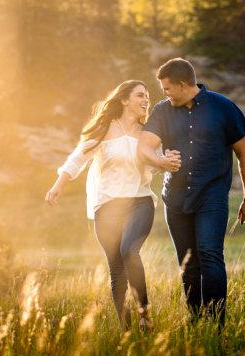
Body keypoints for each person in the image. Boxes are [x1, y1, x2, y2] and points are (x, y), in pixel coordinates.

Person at [45, 80, 181, 331]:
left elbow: (153, 164)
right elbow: (78, 158)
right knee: (116, 269)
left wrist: (165, 161)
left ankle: (144, 313)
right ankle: (126, 330)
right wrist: (58, 184)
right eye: (140, 95)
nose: (146, 100)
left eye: (147, 96)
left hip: (139, 202)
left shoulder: (147, 134)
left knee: (130, 251)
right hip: (106, 205)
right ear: (124, 100)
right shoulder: (103, 130)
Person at [137, 58, 245, 328]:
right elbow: (144, 147)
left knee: (209, 253)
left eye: (166, 88)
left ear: (182, 84)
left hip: (211, 196)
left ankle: (216, 325)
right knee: (188, 263)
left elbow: (244, 155)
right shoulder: (163, 110)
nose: (164, 94)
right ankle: (195, 320)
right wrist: (160, 162)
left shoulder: (223, 107)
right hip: (175, 199)